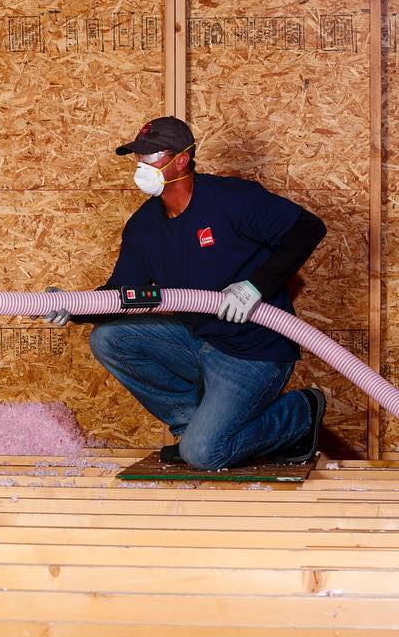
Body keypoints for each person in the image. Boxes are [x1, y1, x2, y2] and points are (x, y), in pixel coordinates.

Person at [44, 116, 328, 469]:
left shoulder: (232, 199)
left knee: (205, 455)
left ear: (181, 159)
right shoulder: (144, 226)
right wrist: (71, 306)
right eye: (138, 157)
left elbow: (307, 228)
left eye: (151, 156)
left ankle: (300, 412)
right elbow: (121, 294)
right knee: (109, 339)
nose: (141, 166)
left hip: (255, 349)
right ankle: (194, 428)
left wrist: (256, 286)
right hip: (196, 339)